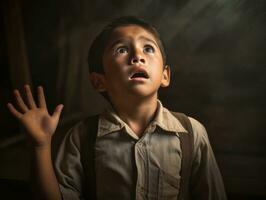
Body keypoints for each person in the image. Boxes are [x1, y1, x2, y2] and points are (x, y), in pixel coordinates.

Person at [7, 16, 227, 200]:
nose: (137, 57)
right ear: (98, 81)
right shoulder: (82, 137)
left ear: (165, 76)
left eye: (148, 48)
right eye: (121, 50)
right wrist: (41, 145)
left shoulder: (191, 133)